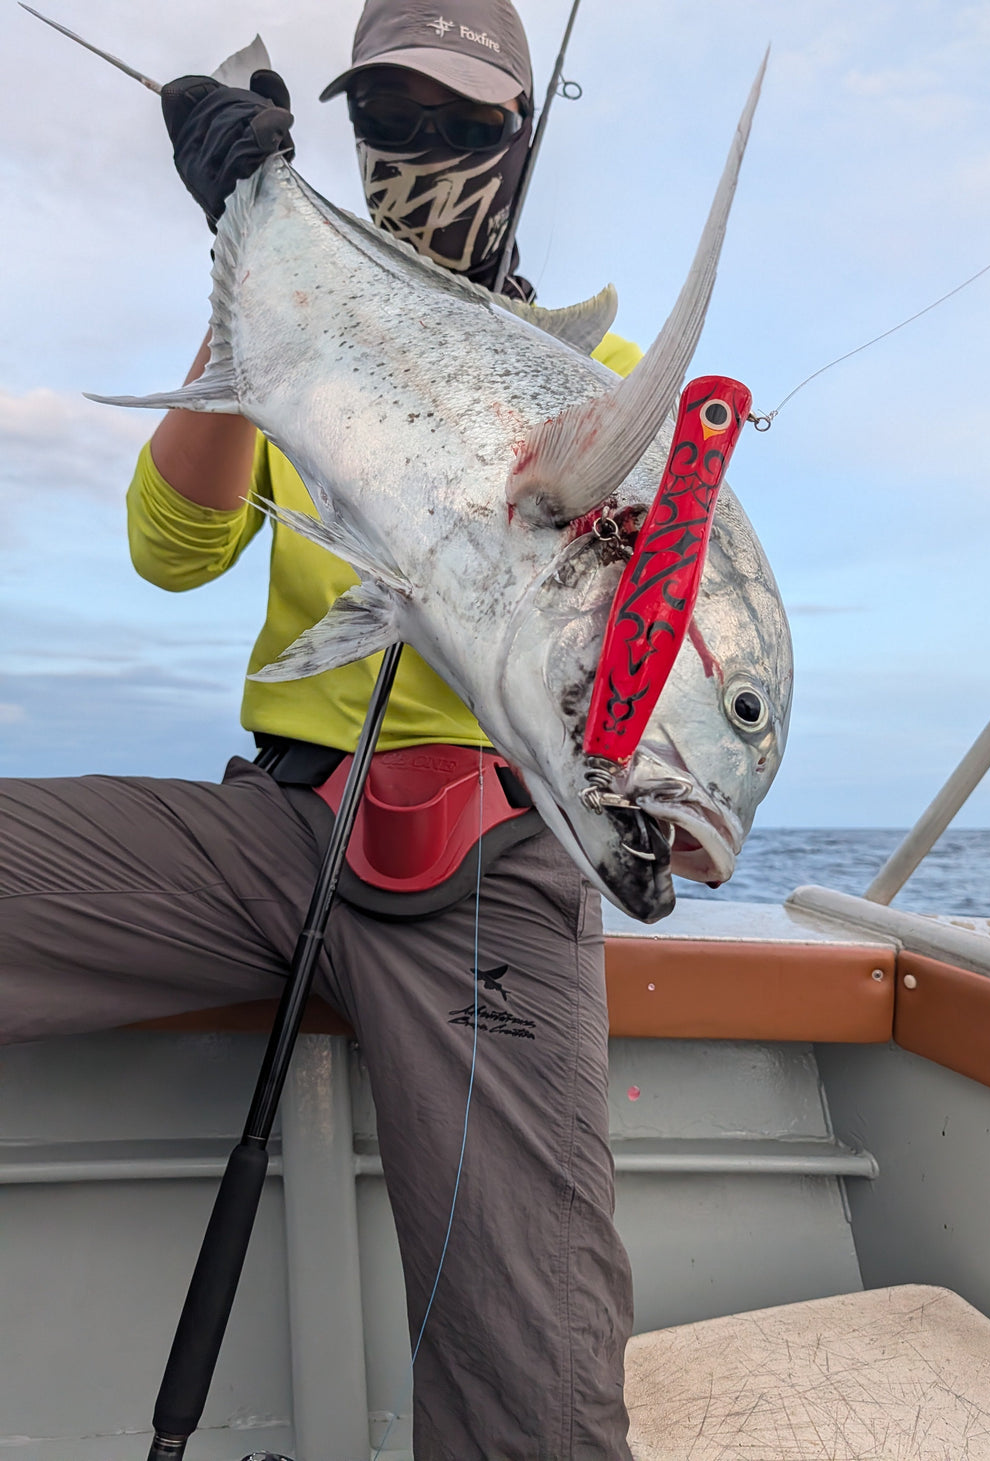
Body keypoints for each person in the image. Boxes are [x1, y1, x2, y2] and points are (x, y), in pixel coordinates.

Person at [1, 2, 643, 1457]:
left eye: (461, 123)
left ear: (522, 137)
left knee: (537, 1394)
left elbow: (642, 671)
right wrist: (252, 266)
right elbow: (172, 549)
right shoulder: (303, 331)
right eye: (388, 121)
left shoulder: (605, 390)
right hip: (277, 826)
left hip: (491, 869)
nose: (421, 153)